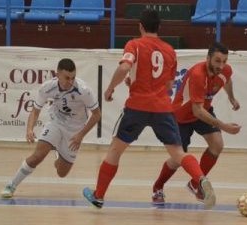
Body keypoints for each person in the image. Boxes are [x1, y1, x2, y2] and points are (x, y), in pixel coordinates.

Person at [82, 9, 216, 210]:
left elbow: (125, 67)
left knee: (115, 151)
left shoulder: (134, 44)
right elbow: (169, 85)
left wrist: (111, 88)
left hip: (137, 107)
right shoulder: (170, 51)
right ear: (159, 28)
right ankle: (200, 179)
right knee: (178, 153)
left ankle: (99, 195)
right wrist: (139, 83)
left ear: (140, 26)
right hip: (162, 108)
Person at [152, 42, 241, 204]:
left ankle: (195, 184)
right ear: (208, 58)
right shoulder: (198, 74)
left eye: (224, 61)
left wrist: (232, 98)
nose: (221, 66)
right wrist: (225, 127)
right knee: (178, 159)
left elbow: (226, 80)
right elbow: (197, 111)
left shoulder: (224, 70)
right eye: (217, 61)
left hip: (203, 110)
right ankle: (158, 187)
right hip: (181, 116)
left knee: (217, 144)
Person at [1, 58, 101, 198]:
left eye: (73, 77)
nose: (70, 81)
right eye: (67, 77)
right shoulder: (47, 87)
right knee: (38, 156)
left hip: (75, 131)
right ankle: (11, 185)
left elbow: (97, 115)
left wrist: (81, 135)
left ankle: (59, 152)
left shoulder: (84, 90)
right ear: (57, 74)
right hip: (56, 123)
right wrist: (29, 129)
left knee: (62, 173)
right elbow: (35, 110)